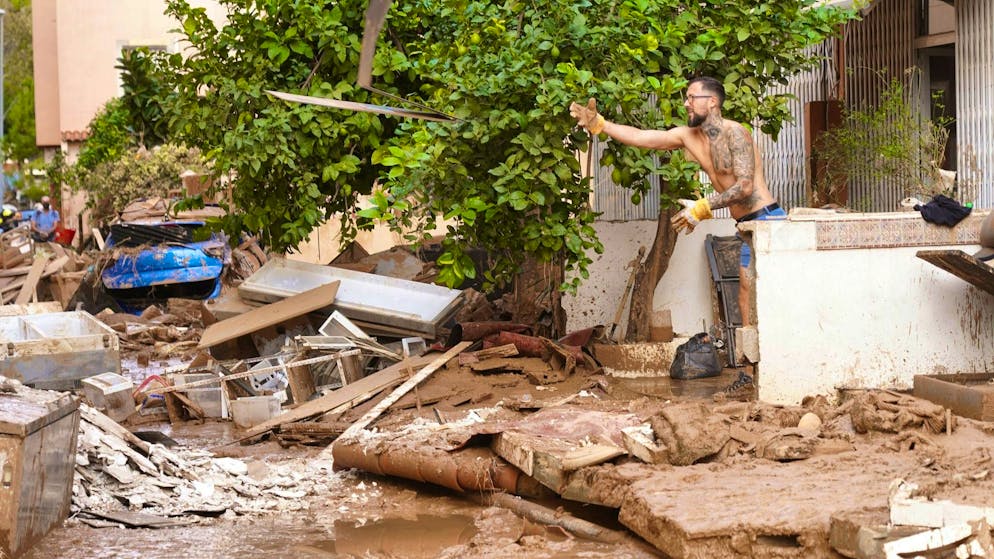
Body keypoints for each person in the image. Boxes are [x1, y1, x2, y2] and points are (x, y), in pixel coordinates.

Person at [570, 76, 785, 389]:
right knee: (745, 301)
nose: (686, 103)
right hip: (745, 228)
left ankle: (769, 371)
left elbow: (746, 186)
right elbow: (644, 137)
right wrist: (600, 124)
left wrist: (703, 207)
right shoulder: (688, 136)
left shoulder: (735, 133)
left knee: (762, 299)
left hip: (768, 221)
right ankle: (750, 376)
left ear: (712, 102)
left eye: (691, 97)